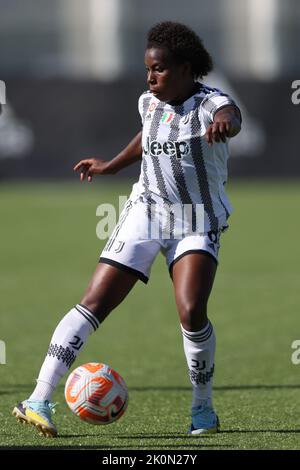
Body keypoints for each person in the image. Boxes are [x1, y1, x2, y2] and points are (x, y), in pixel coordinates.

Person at [13, 21, 241, 437]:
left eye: (159, 70)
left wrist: (227, 123)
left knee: (191, 311)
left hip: (195, 219)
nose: (150, 78)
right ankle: (38, 398)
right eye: (147, 70)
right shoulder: (148, 102)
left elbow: (232, 114)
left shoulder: (211, 104)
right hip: (146, 212)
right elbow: (147, 136)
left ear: (186, 69)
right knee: (93, 302)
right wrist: (110, 165)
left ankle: (203, 409)